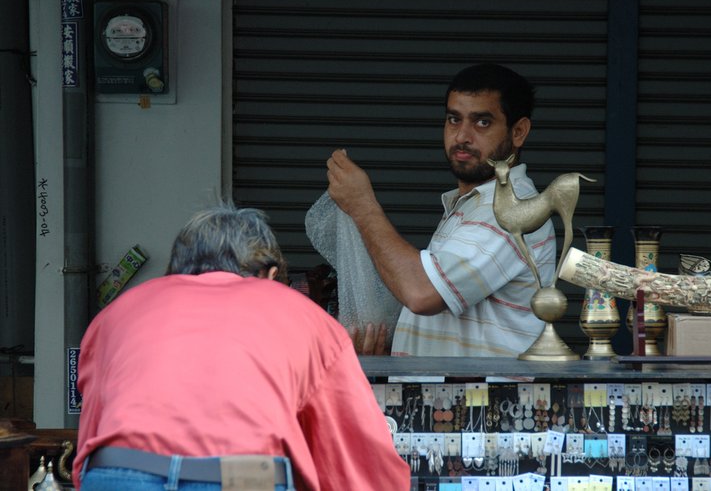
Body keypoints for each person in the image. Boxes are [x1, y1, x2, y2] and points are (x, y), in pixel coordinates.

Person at [72, 203, 410, 490]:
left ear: (174, 271)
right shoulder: (300, 313)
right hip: (243, 475)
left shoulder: (120, 312)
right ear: (270, 274)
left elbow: (94, 424)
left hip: (119, 471)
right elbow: (351, 445)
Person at [327, 63, 557, 357]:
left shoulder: (513, 212)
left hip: (480, 404)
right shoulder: (471, 207)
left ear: (519, 132)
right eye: (453, 119)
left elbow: (422, 294)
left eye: (482, 122)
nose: (462, 136)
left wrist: (363, 207)